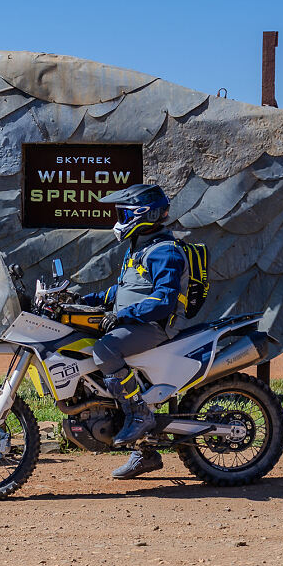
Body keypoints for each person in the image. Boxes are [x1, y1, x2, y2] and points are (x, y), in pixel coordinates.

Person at [81, 184, 189, 480]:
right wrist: (81, 301)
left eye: (124, 213)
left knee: (105, 349)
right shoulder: (141, 247)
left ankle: (138, 414)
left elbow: (163, 300)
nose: (119, 219)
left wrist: (121, 316)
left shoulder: (165, 251)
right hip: (137, 322)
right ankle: (146, 453)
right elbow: (122, 291)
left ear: (144, 214)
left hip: (155, 326)